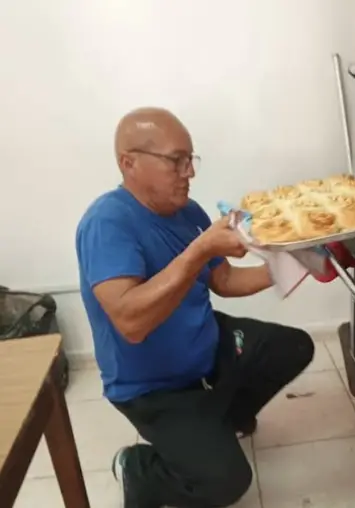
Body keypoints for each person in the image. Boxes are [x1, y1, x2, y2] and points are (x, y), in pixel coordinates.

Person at [75, 107, 314, 508]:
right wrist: (200, 248)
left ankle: (224, 421)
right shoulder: (107, 223)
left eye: (191, 159)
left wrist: (298, 260)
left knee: (293, 346)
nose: (189, 172)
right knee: (228, 482)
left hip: (206, 347)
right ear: (129, 163)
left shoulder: (189, 212)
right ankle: (140, 466)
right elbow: (131, 322)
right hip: (153, 387)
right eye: (176, 161)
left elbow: (224, 280)